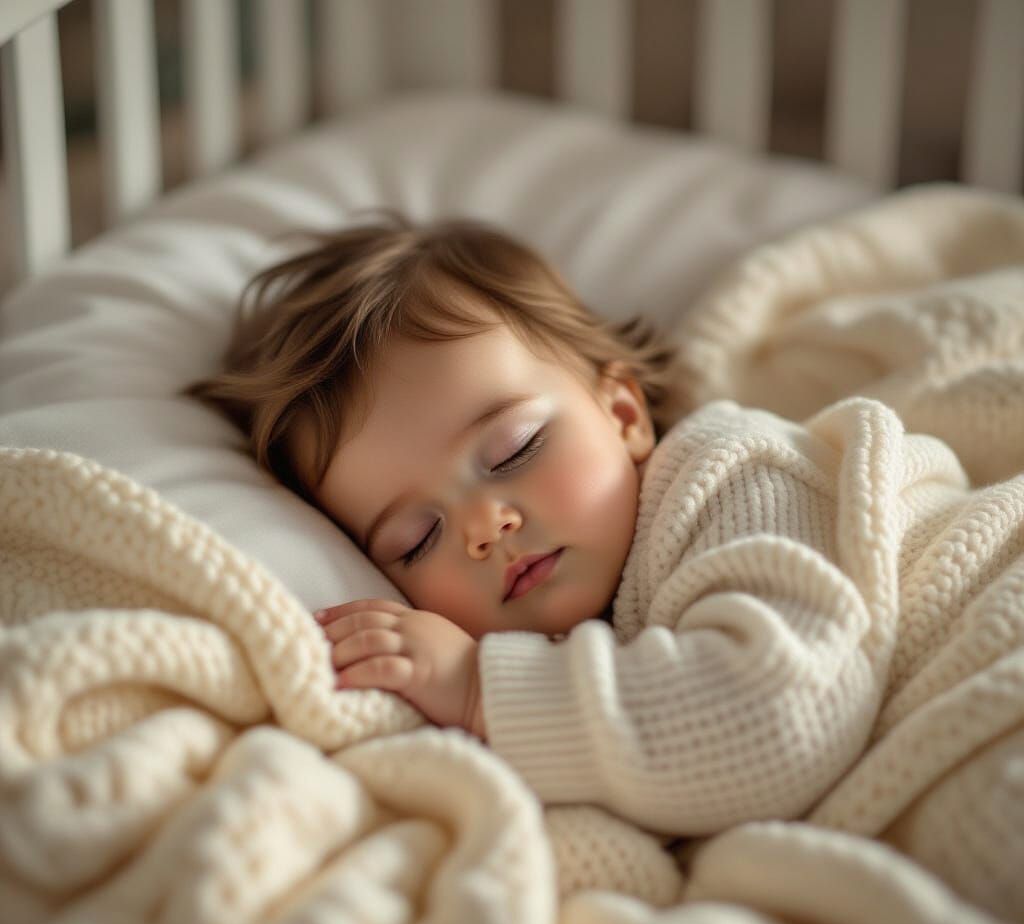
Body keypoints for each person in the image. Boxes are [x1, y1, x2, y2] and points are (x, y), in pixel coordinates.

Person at [183, 210, 995, 840]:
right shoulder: (580, 642)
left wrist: (479, 691)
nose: (483, 526)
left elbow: (779, 721)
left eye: (514, 449)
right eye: (414, 540)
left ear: (623, 414)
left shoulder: (732, 474)